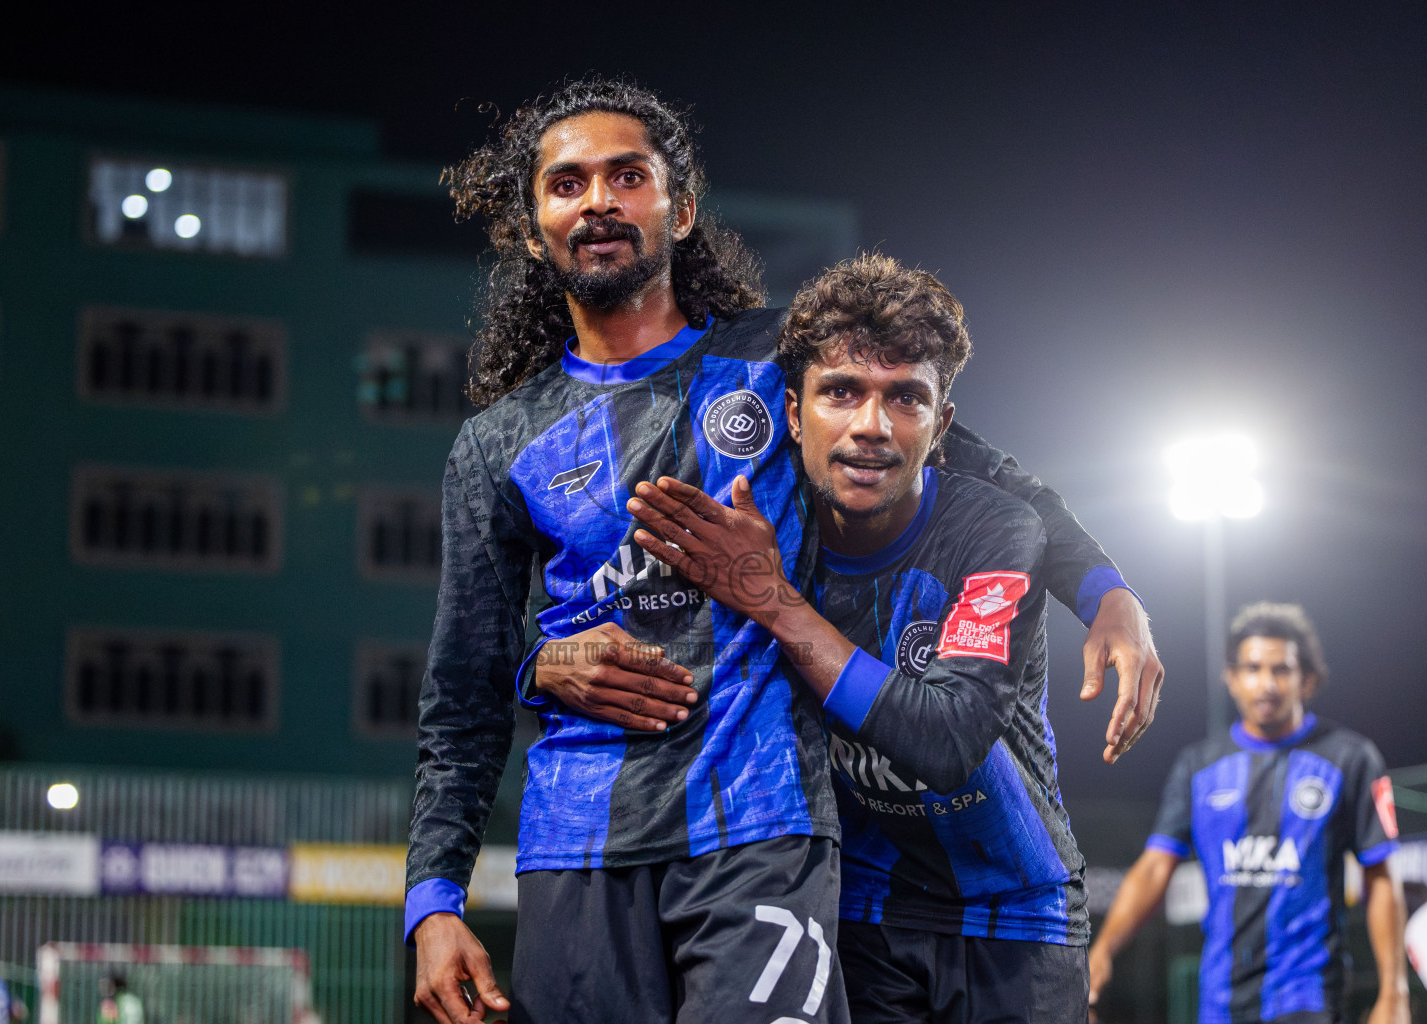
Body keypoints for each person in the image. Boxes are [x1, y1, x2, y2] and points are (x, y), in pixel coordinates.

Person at [405, 77, 1162, 1024]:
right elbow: (460, 692)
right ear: (531, 228)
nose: (597, 200)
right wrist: (434, 899)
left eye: (627, 176)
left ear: (679, 209)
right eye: (567, 185)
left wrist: (1108, 593)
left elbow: (983, 471)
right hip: (577, 844)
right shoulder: (496, 443)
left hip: (764, 828)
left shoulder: (785, 365)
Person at [610, 254, 1095, 1021]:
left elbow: (947, 740)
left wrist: (773, 602)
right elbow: (598, 631)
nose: (871, 426)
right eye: (842, 392)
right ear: (796, 414)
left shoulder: (996, 529)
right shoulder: (756, 523)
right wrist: (546, 666)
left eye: (905, 398)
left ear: (940, 423)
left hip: (1018, 918)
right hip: (862, 915)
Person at [1088, 602, 1410, 1024]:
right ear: (1232, 677)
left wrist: (1394, 990)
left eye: (1282, 670)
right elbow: (1153, 868)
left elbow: (1380, 875)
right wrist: (1103, 950)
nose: (1267, 684)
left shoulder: (1350, 758)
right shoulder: (1198, 766)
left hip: (1308, 991)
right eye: (1253, 668)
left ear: (1307, 681)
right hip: (1220, 998)